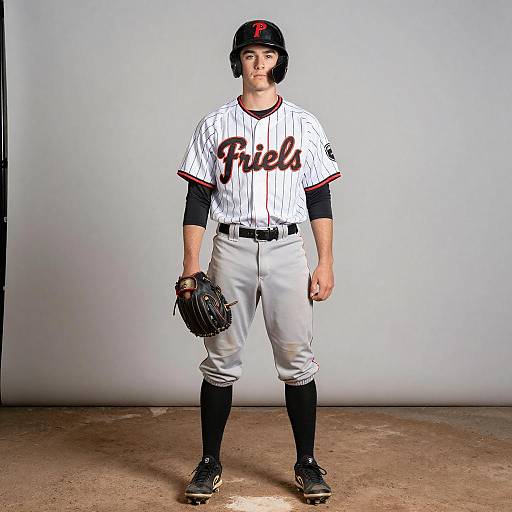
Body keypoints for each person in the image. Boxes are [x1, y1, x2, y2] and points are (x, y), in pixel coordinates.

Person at [177, 19, 342, 506]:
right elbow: (196, 199)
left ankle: (307, 463)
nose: (259, 63)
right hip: (229, 249)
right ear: (238, 62)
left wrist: (325, 261)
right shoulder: (214, 124)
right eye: (250, 54)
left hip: (289, 249)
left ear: (279, 61)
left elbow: (320, 197)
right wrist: (192, 265)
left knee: (297, 362)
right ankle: (209, 462)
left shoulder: (305, 124)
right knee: (220, 361)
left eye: (267, 54)